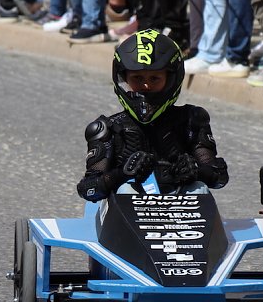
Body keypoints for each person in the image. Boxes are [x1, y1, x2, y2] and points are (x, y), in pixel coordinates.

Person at [77, 30, 229, 201]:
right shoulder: (106, 129)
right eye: (137, 78)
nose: (146, 85)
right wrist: (121, 174)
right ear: (124, 79)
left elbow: (220, 178)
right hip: (125, 218)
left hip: (181, 213)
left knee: (199, 189)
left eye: (155, 78)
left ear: (171, 79)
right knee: (127, 190)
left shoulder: (191, 120)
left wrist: (197, 170)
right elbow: (88, 189)